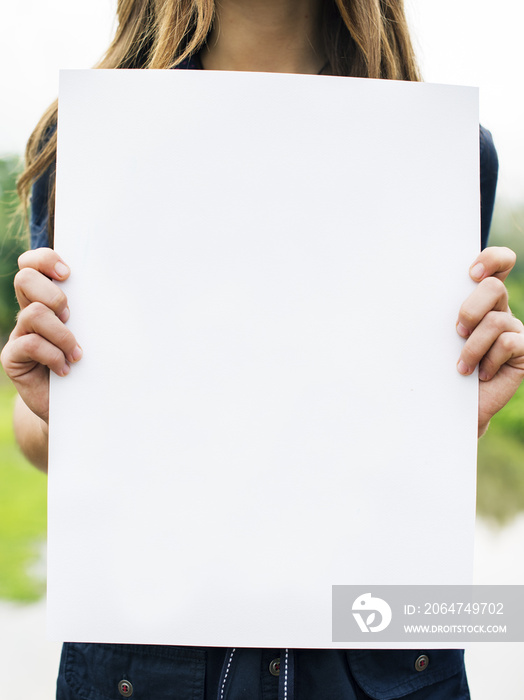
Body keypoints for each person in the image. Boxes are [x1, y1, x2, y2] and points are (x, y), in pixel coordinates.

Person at [2, 1, 524, 698]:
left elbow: (378, 421)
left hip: (381, 659)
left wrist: (454, 419)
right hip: (146, 657)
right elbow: (35, 438)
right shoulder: (91, 139)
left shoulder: (448, 150)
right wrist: (67, 410)